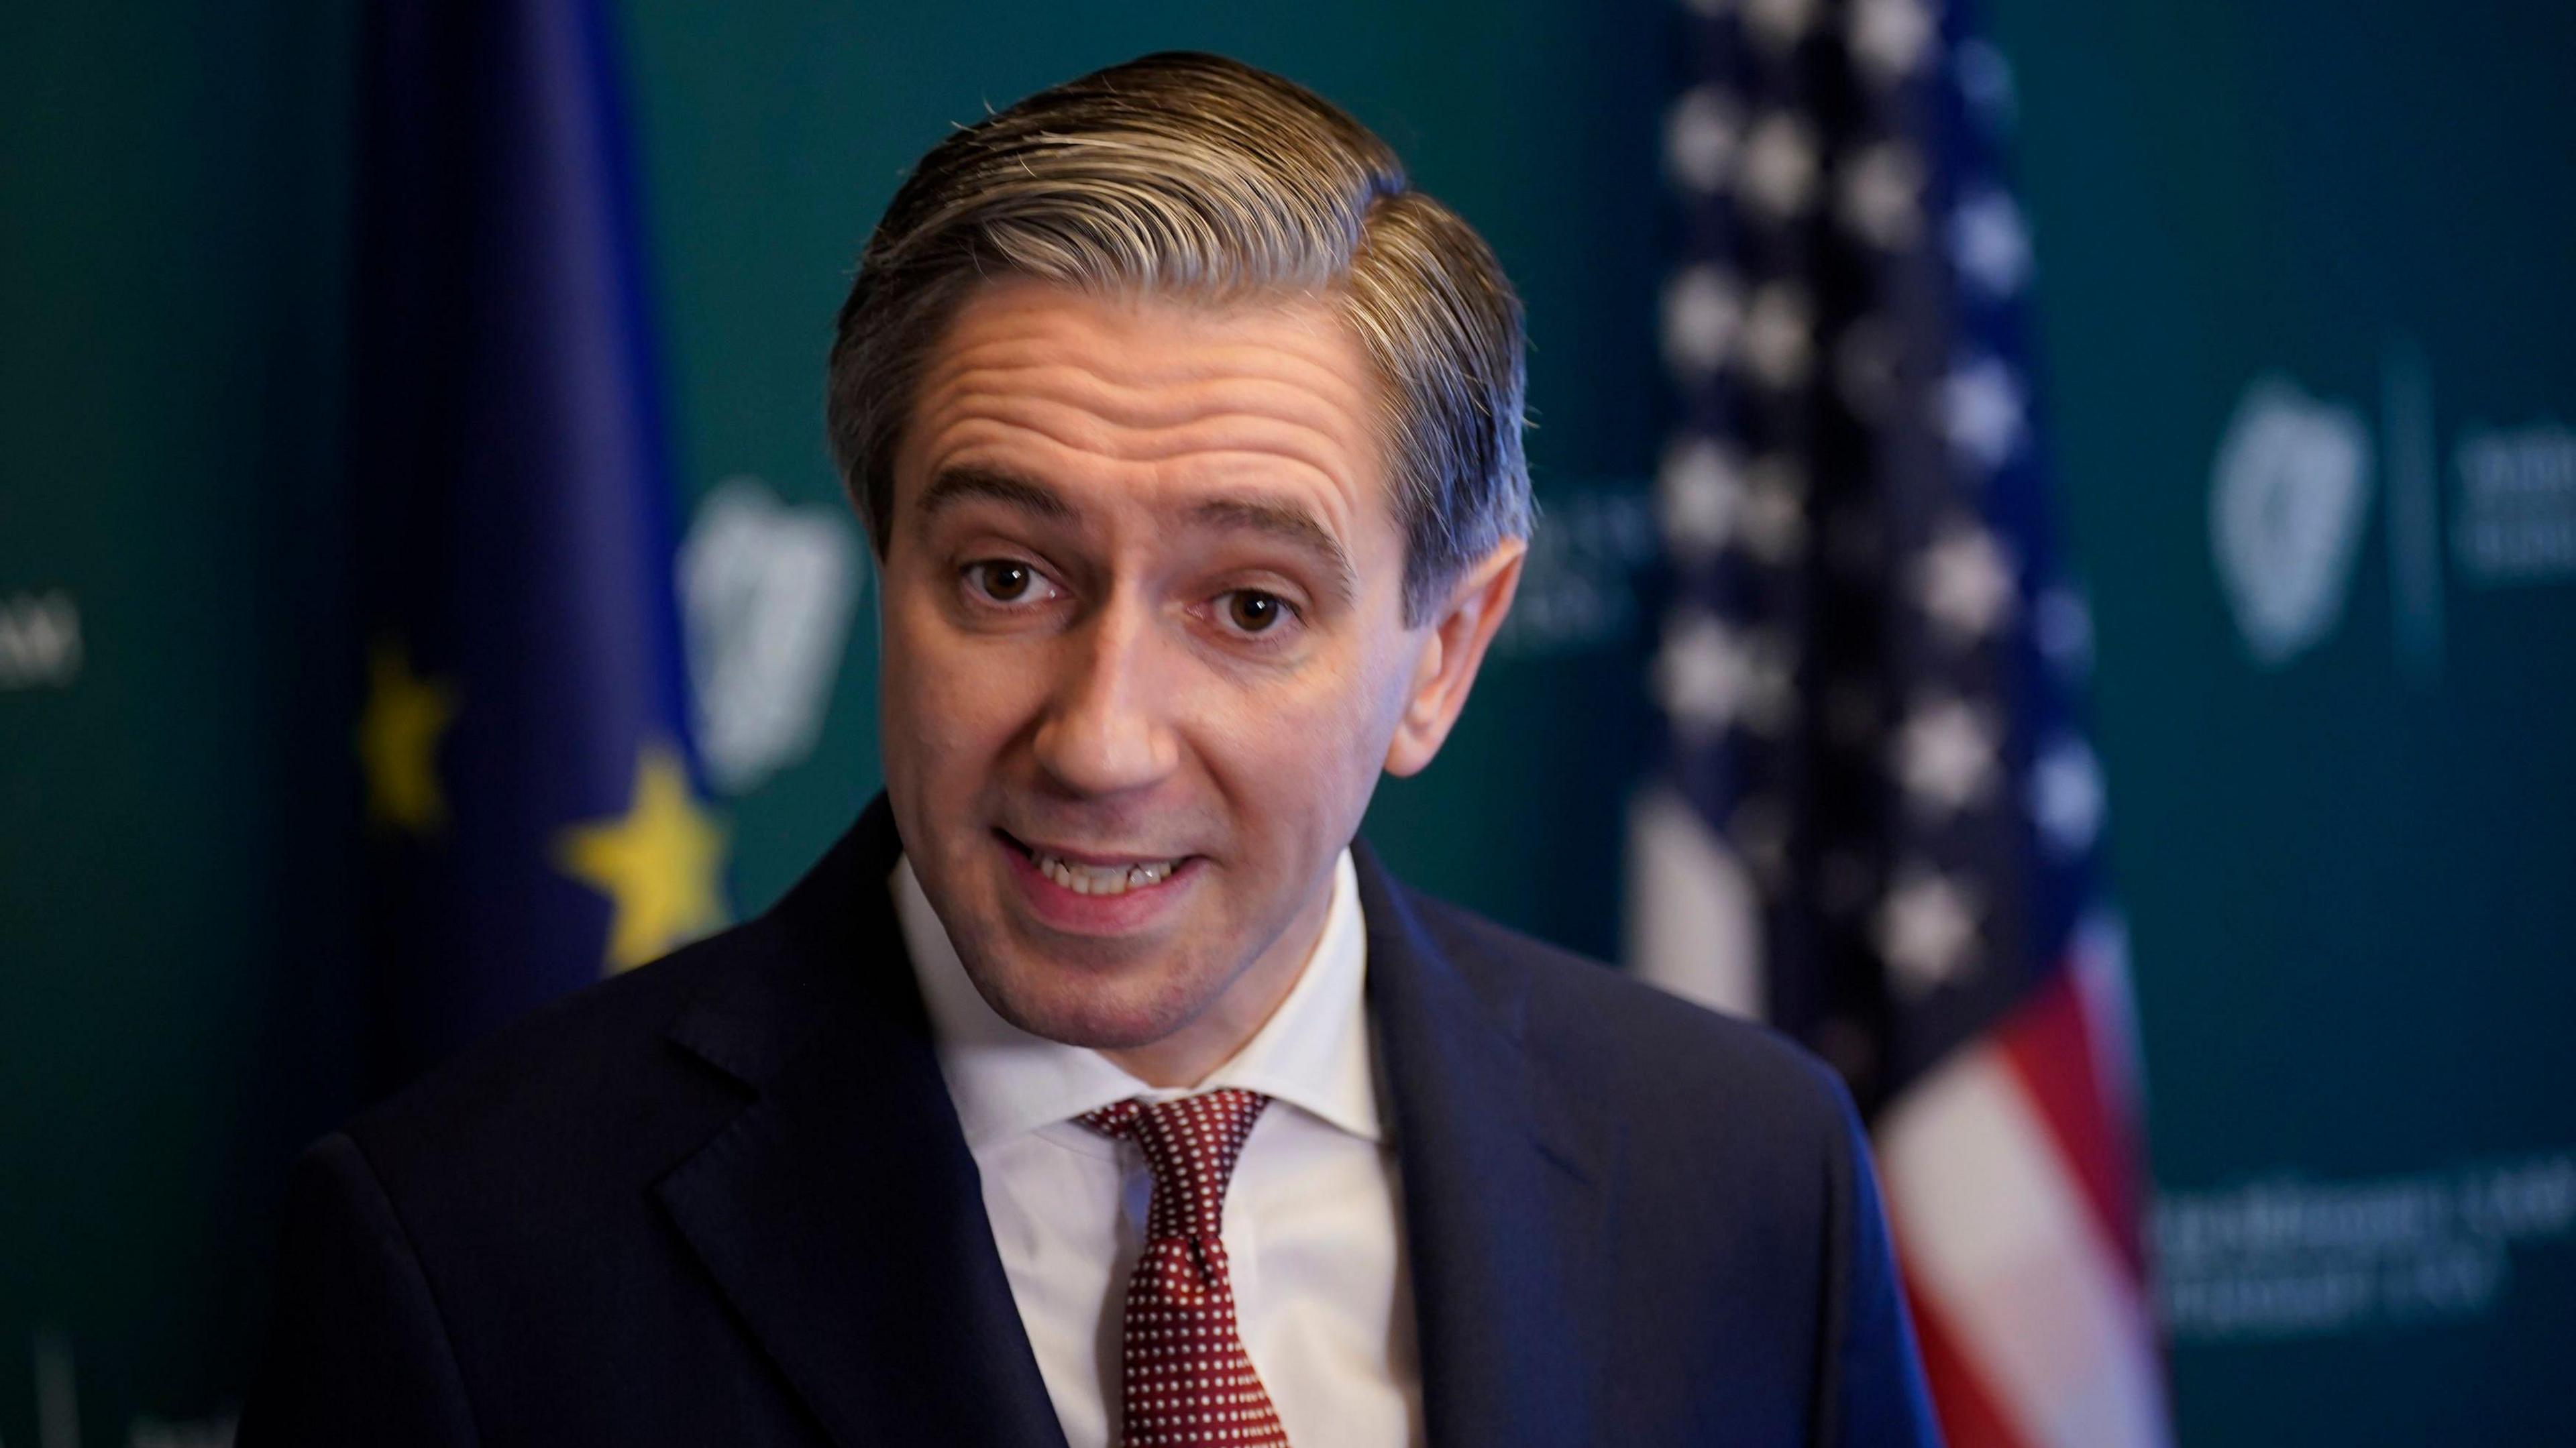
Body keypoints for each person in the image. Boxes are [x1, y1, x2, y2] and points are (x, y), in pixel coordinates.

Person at [242, 51, 1937, 1448]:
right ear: (885, 560)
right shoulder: (463, 1257)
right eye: (1007, 576)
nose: (1102, 740)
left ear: (1444, 655)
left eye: (1253, 608)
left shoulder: (1749, 1179)